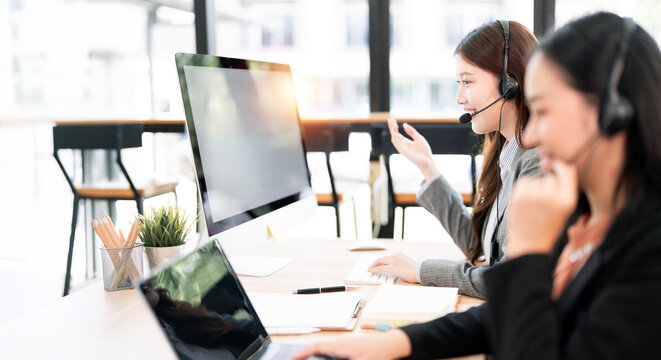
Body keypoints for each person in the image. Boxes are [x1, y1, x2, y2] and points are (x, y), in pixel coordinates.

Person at [295, 12, 661, 359]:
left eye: (545, 111)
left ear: (613, 115)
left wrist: (531, 254)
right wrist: (398, 342)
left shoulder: (648, 256)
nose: (532, 132)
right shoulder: (597, 225)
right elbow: (504, 312)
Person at [370, 20, 539, 299]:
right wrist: (428, 167)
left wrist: (421, 270)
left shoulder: (537, 161)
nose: (460, 97)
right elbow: (483, 248)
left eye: (467, 81)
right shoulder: (508, 152)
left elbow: (507, 278)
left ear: (510, 83)